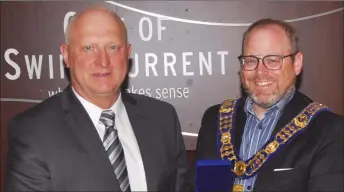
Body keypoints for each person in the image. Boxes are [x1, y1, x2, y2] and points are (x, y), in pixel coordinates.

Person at [6, 6, 188, 192]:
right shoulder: (34, 132)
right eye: (88, 48)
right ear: (66, 55)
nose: (103, 61)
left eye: (112, 47)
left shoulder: (162, 118)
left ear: (127, 52)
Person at [189, 18, 343, 192]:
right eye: (251, 60)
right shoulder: (215, 120)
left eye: (272, 60)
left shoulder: (328, 129)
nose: (260, 72)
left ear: (297, 63)